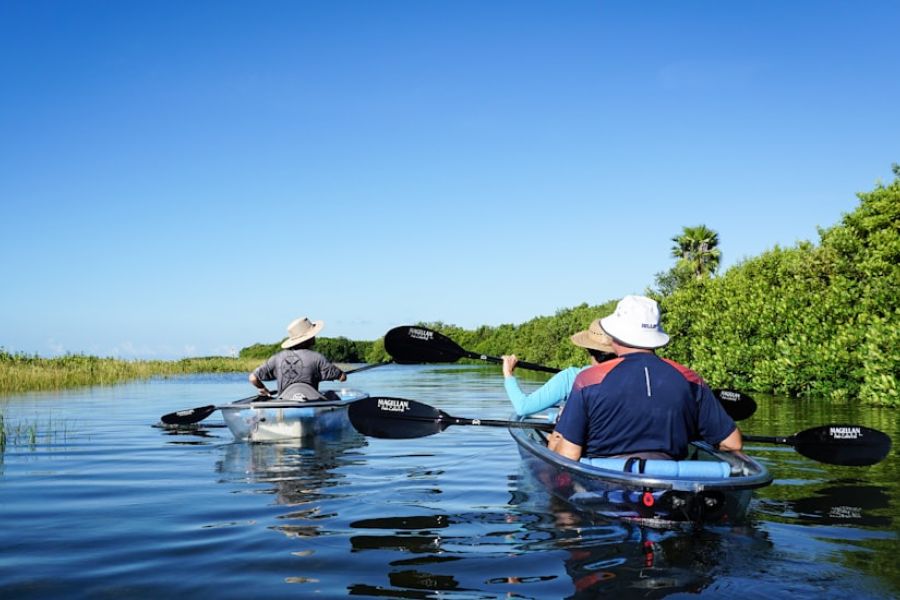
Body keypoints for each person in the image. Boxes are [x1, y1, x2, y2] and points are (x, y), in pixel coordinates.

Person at [552, 295, 742, 461]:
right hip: (670, 487)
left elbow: (569, 455)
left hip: (604, 488)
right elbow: (732, 443)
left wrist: (554, 445)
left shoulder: (588, 379)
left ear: (614, 335)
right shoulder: (690, 379)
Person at [501, 319, 616, 416]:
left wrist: (508, 374)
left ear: (587, 348)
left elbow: (523, 407)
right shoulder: (630, 376)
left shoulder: (570, 378)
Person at [249, 316, 347, 400]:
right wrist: (327, 374)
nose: (314, 336)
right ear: (307, 339)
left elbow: (253, 378)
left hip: (284, 404)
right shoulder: (318, 358)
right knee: (331, 394)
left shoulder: (277, 358)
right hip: (311, 404)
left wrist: (263, 389)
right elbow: (342, 378)